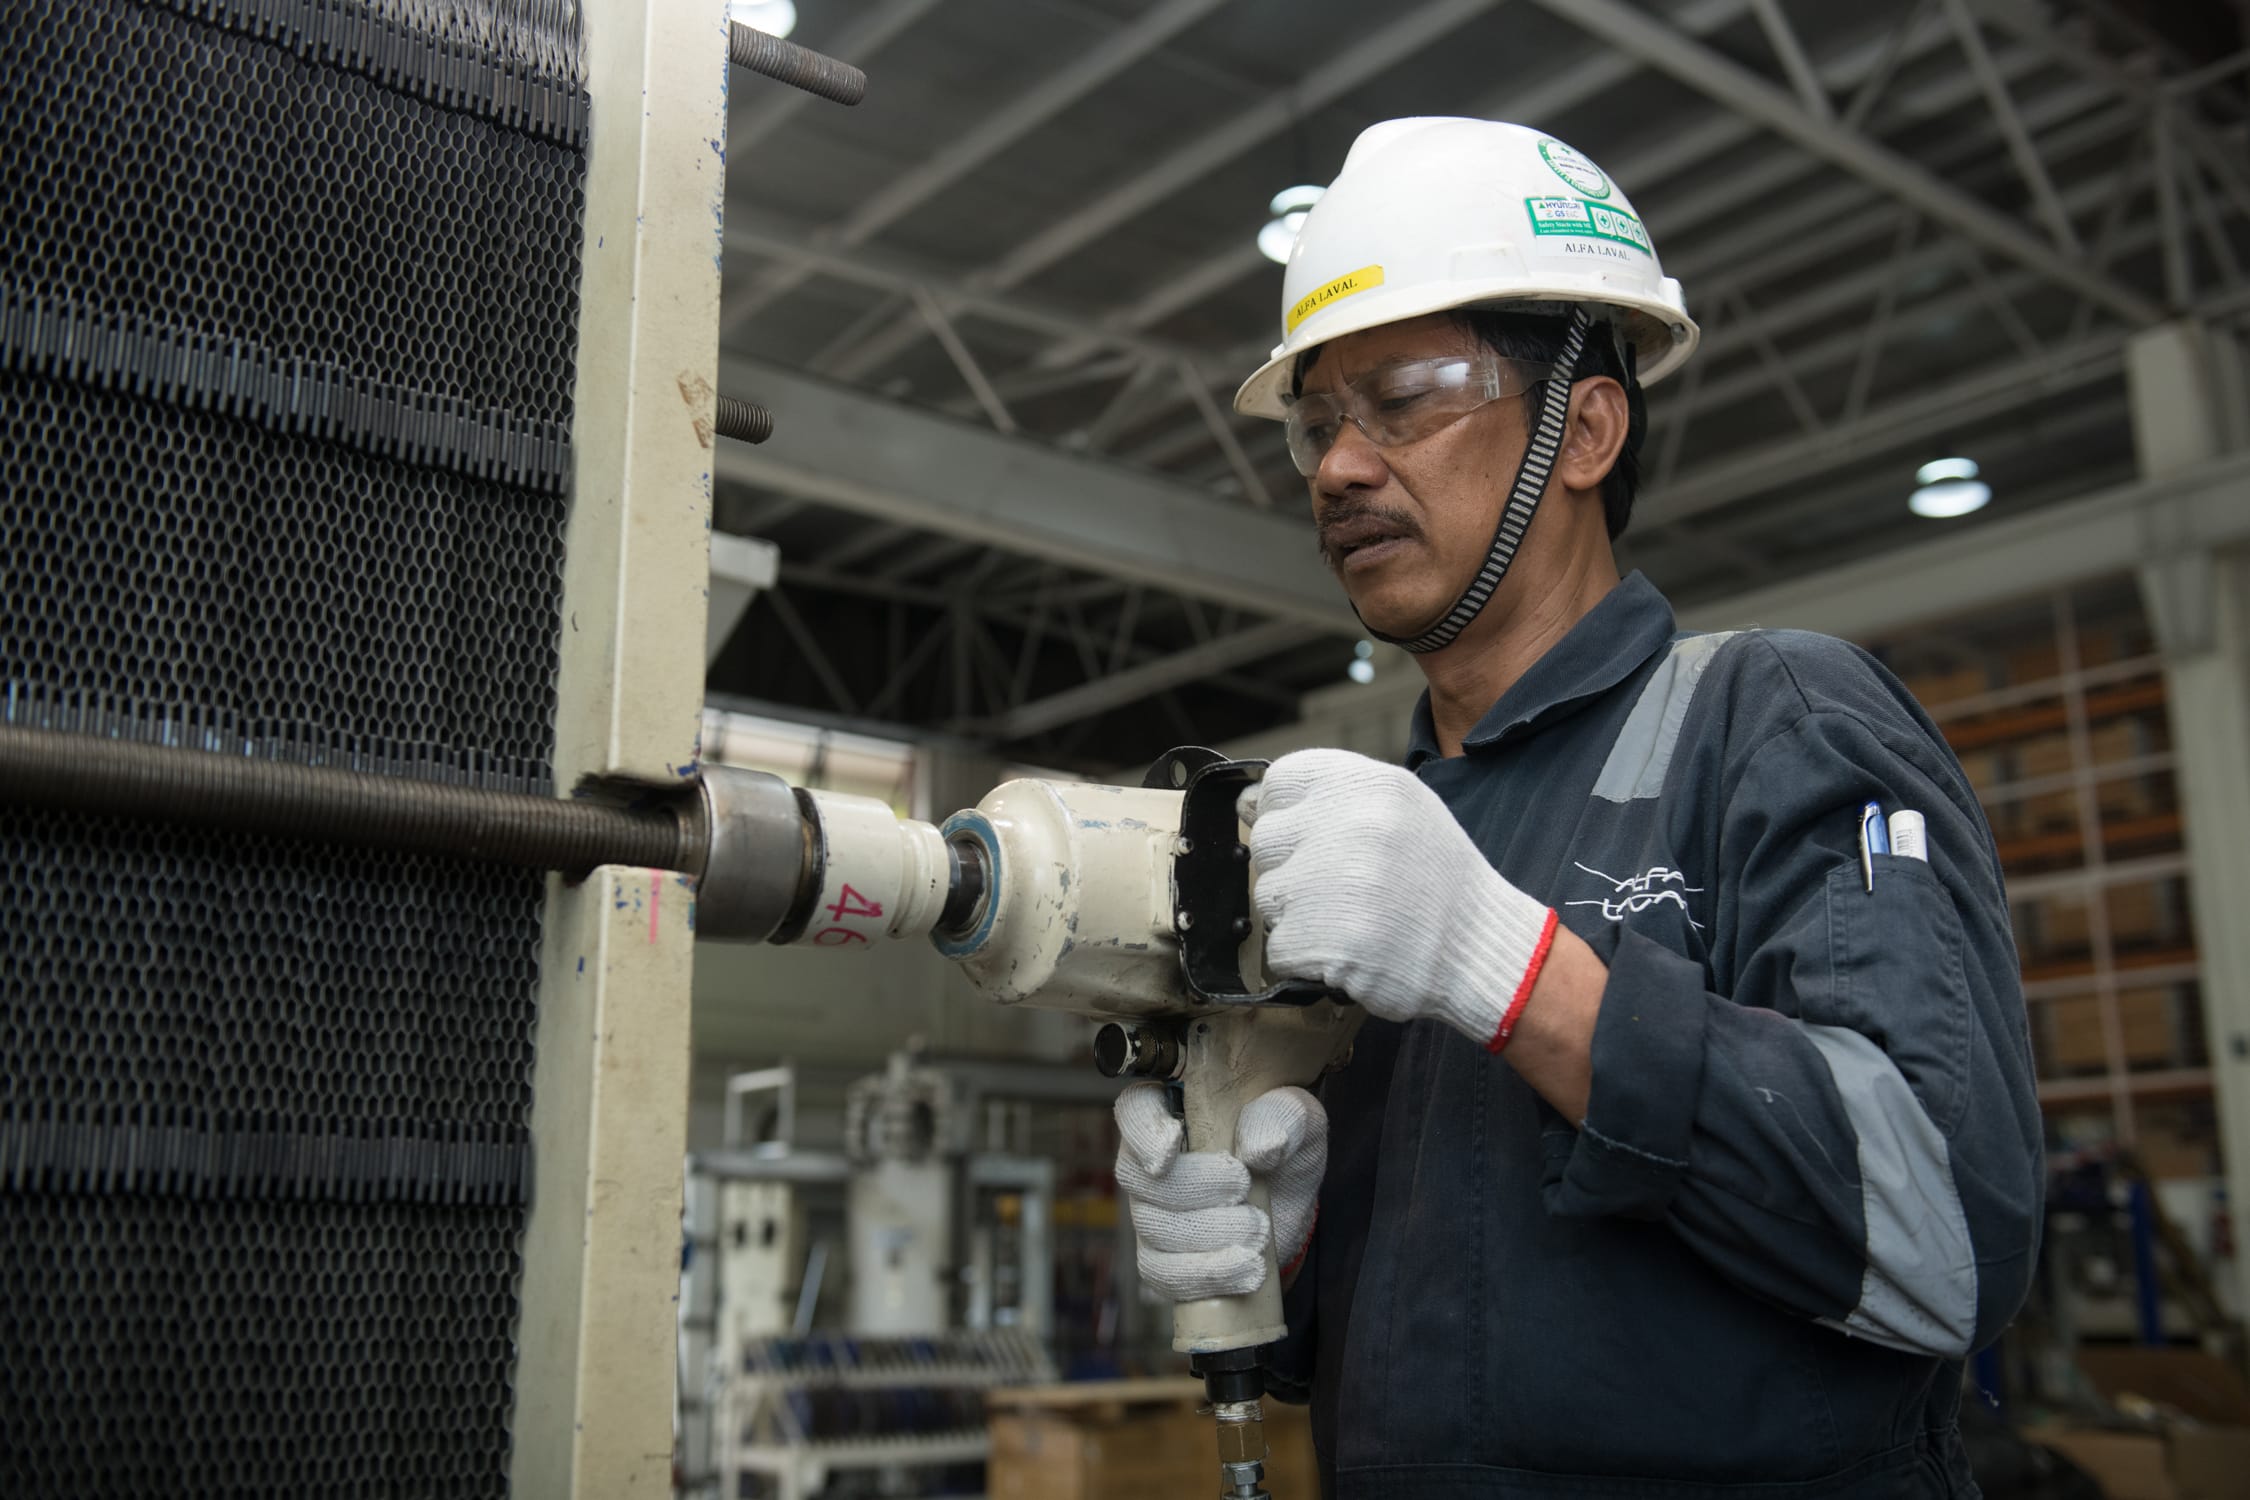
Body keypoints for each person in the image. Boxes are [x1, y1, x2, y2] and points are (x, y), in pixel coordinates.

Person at [1110, 118, 2044, 1497]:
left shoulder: (1768, 719)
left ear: (1586, 425)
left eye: (1404, 397)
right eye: (1315, 423)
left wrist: (1518, 977)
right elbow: (1449, 1354)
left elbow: (1947, 1244)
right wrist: (1279, 1247)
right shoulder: (1372, 843)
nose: (1337, 468)